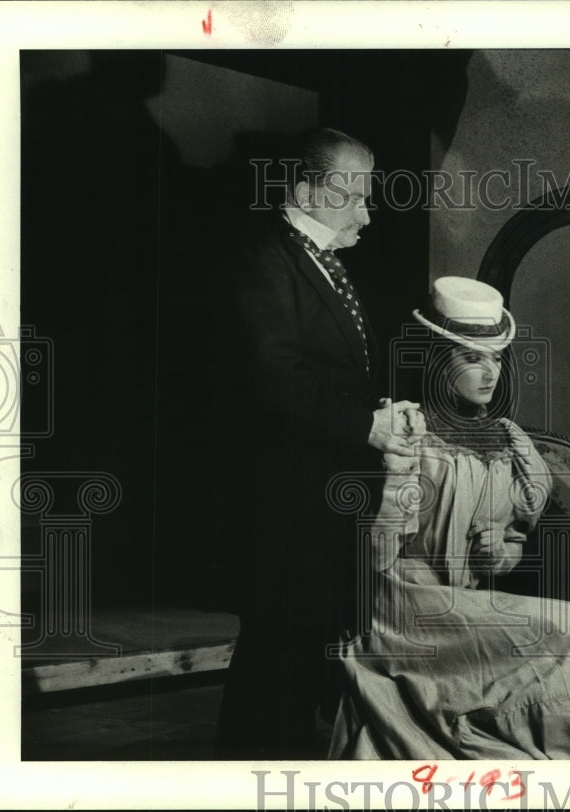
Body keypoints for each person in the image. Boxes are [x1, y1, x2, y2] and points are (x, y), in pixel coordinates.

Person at [329, 277, 570, 759]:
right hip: (403, 607)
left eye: (497, 359)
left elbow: (508, 552)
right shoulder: (404, 427)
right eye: (473, 359)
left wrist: (501, 554)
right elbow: (372, 555)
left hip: (466, 605)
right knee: (566, 626)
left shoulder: (509, 441)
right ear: (441, 360)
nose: (490, 373)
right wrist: (398, 472)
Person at [216, 127, 419, 759]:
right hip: (283, 499)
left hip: (320, 495)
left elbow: (326, 375)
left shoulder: (321, 262)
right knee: (274, 659)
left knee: (303, 654)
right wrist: (367, 427)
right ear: (307, 188)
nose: (367, 210)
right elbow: (272, 378)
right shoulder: (265, 256)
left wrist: (376, 411)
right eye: (355, 194)